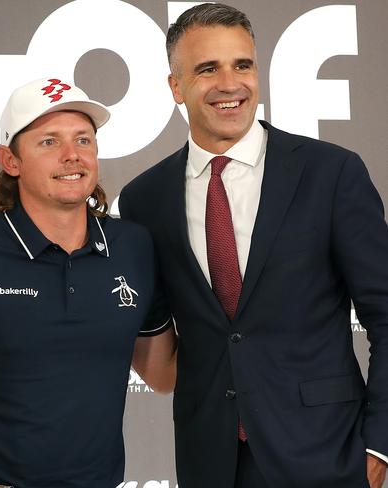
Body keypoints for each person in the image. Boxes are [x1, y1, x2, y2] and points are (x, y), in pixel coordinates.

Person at [119, 3, 388, 488]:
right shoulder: (144, 198)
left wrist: (379, 446)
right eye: (207, 69)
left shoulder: (331, 173)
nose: (230, 83)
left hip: (328, 454)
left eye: (242, 64)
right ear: (175, 86)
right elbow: (157, 335)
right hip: (211, 462)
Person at [0, 78, 175, 488]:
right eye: (49, 142)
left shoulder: (132, 246)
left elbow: (163, 374)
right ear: (11, 161)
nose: (72, 156)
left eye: (83, 140)